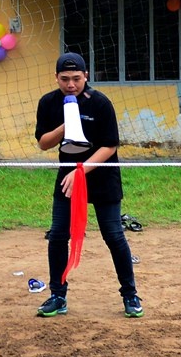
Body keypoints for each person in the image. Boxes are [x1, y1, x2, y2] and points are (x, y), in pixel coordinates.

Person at [34, 52, 140, 319]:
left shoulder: (101, 103)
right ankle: (58, 295)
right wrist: (66, 124)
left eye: (76, 79)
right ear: (56, 77)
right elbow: (43, 143)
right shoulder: (48, 102)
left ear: (86, 76)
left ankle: (130, 295)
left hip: (101, 175)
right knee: (58, 235)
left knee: (113, 235)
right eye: (65, 79)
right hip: (68, 176)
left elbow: (110, 146)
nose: (71, 84)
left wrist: (82, 171)